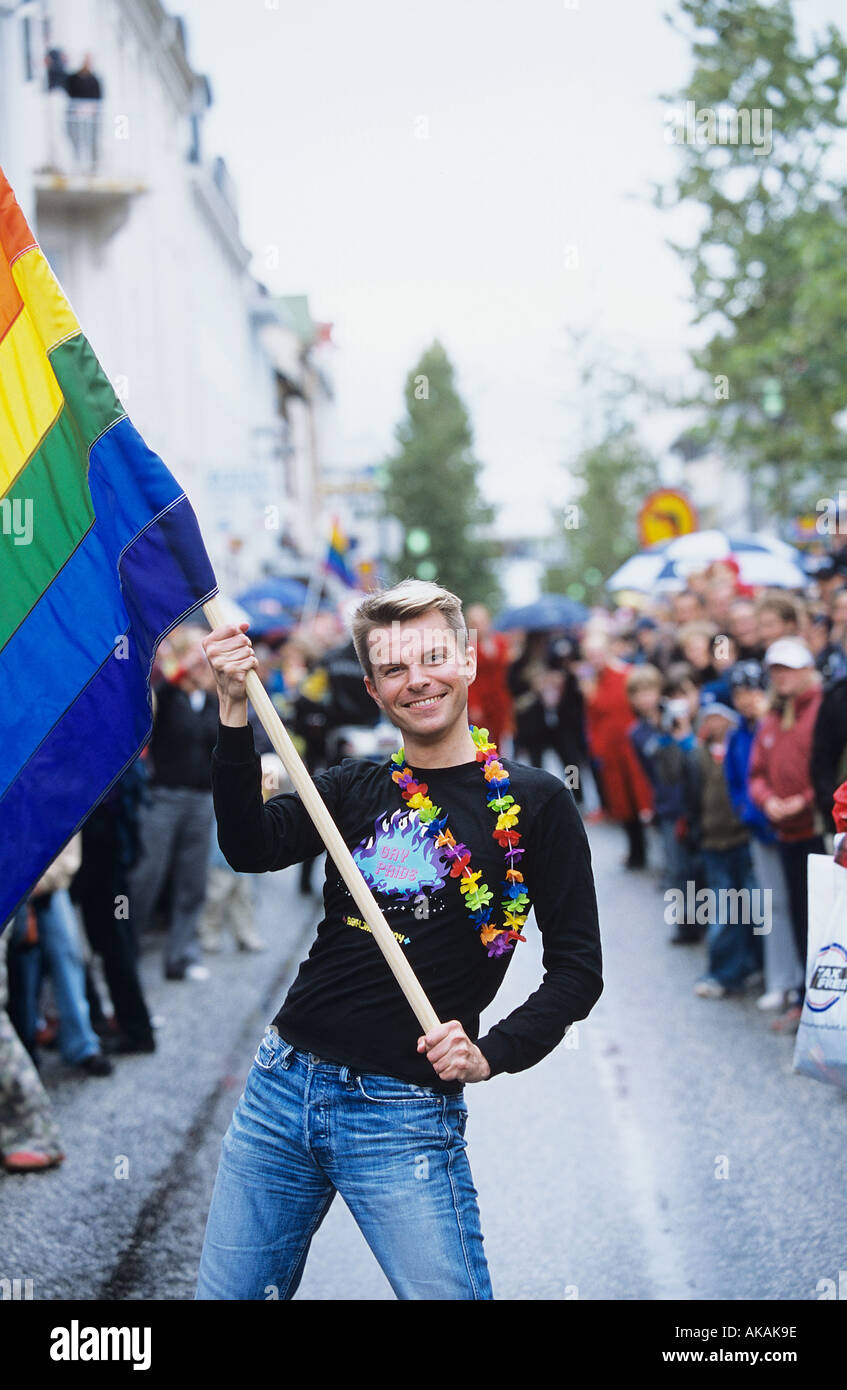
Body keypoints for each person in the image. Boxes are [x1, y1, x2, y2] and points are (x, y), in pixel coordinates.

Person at [195, 579, 603, 1301]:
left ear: (469, 660)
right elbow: (248, 847)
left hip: (402, 1114)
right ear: (375, 691)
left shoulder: (535, 801)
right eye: (393, 670)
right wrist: (233, 712)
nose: (417, 680)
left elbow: (577, 971)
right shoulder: (354, 786)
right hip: (281, 1088)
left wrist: (493, 1052)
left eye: (433, 657)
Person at [748, 638, 824, 1033]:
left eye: (789, 668)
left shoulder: (825, 709)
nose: (782, 676)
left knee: (823, 919)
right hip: (786, 833)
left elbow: (830, 773)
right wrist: (769, 801)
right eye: (776, 670)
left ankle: (823, 1004)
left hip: (819, 831)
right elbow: (756, 772)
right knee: (796, 915)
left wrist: (806, 801)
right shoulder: (772, 717)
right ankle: (805, 998)